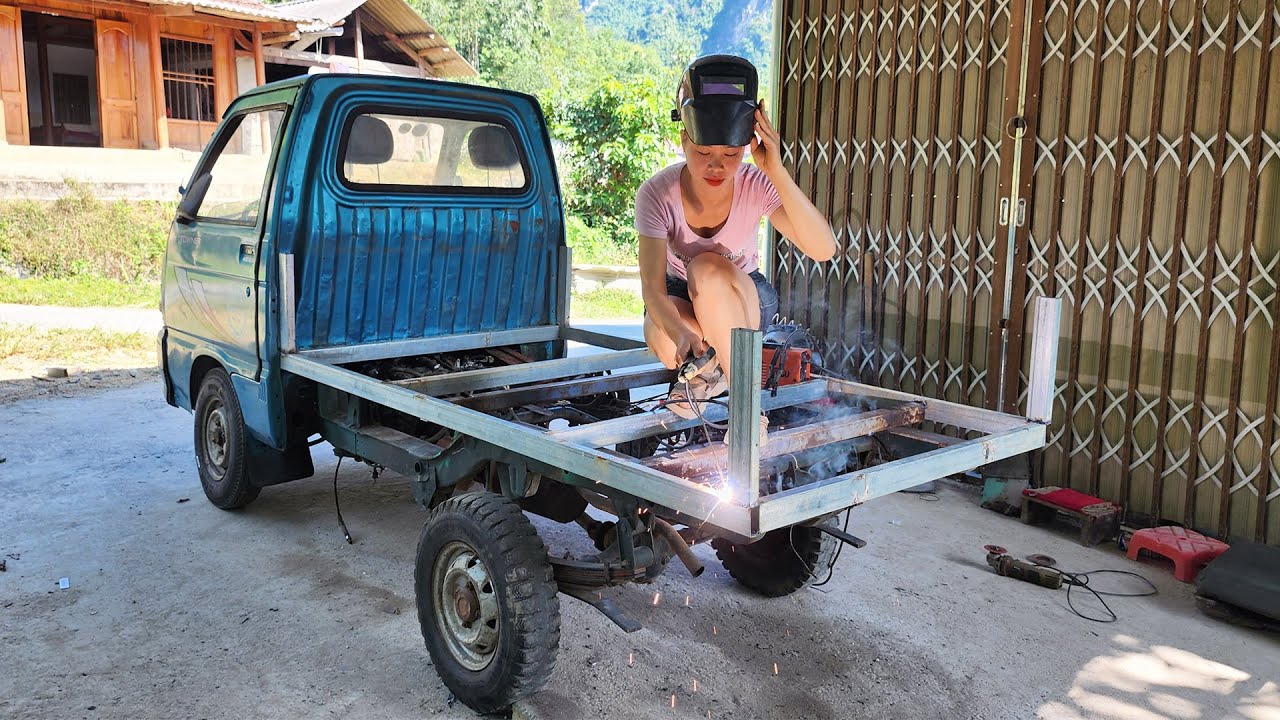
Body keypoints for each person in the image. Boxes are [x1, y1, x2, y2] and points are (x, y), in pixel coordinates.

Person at [635, 55, 837, 434]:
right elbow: (654, 292)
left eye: (730, 154)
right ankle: (710, 371)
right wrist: (683, 337)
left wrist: (775, 169)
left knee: (705, 268)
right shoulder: (656, 194)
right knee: (658, 333)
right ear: (684, 139)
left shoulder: (755, 185)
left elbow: (824, 248)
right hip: (682, 299)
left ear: (746, 145)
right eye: (703, 153)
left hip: (741, 295)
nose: (717, 166)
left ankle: (746, 408)